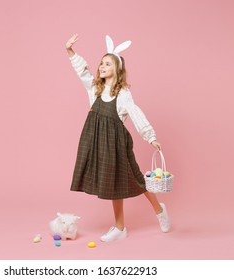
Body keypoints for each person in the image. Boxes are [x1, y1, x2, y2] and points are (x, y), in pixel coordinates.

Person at [66, 34, 171, 242]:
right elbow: (83, 72)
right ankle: (120, 228)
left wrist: (150, 137)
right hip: (97, 142)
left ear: (117, 68)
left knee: (138, 181)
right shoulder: (95, 88)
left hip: (116, 143)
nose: (101, 66)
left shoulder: (123, 93)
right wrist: (70, 52)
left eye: (107, 63)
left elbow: (135, 112)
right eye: (101, 63)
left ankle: (160, 210)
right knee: (112, 183)